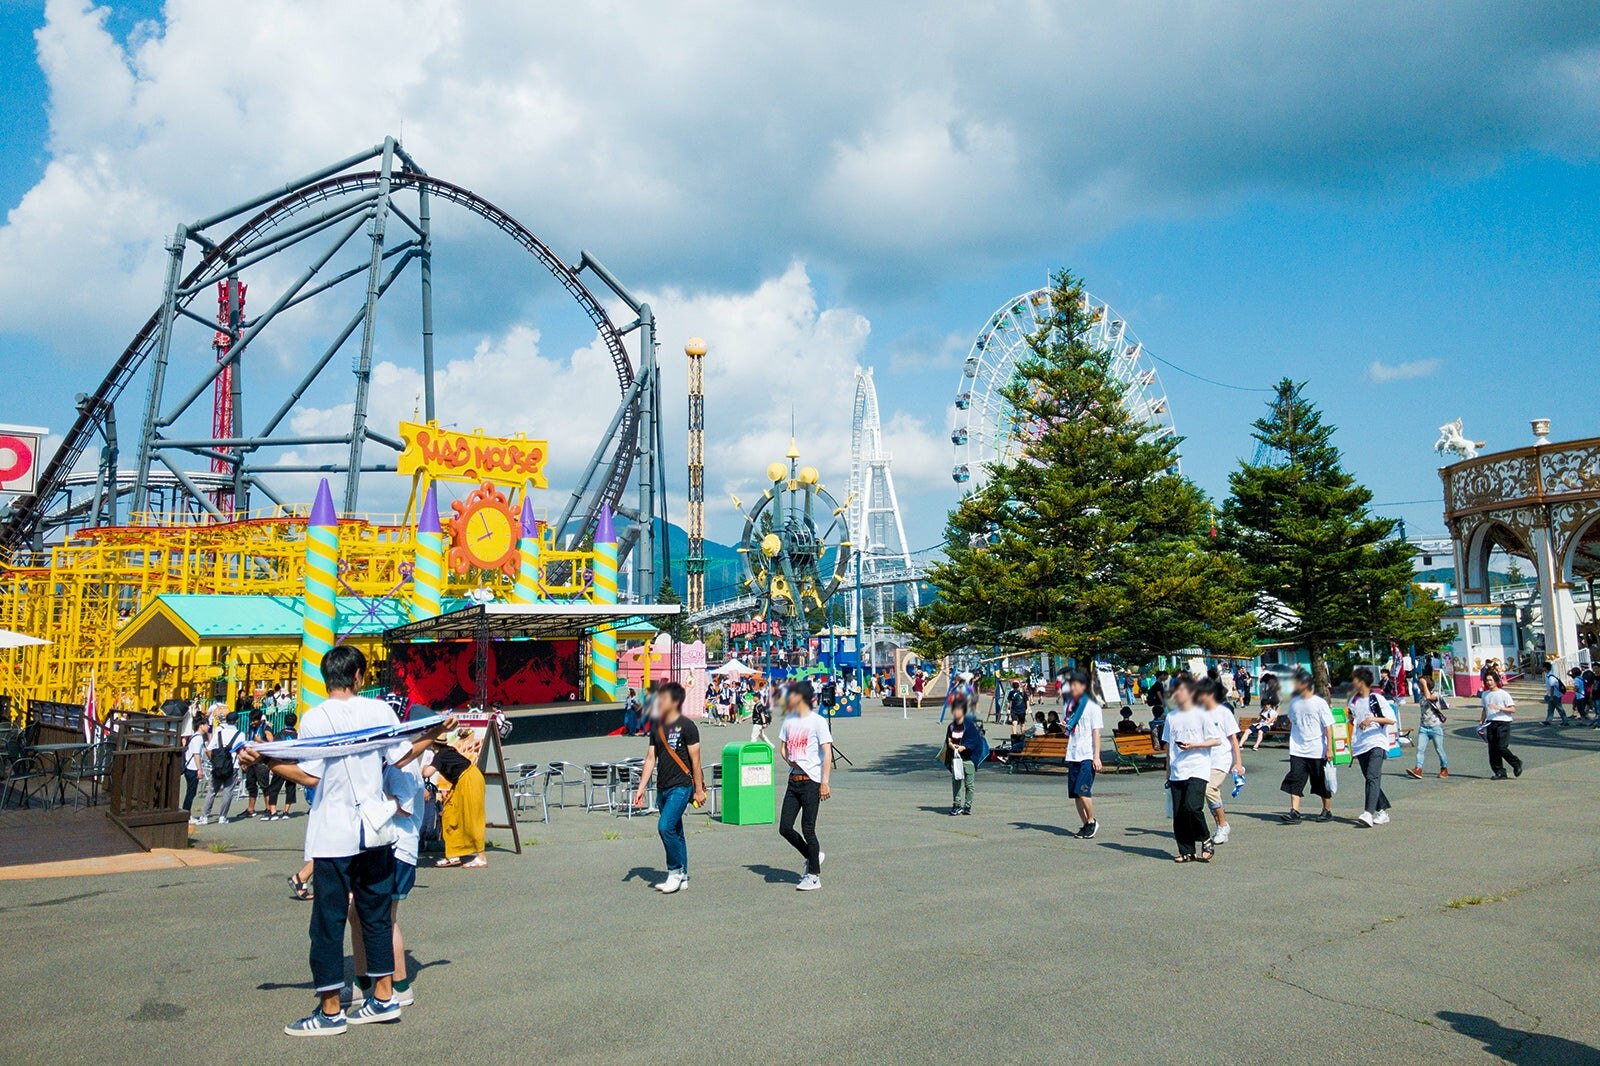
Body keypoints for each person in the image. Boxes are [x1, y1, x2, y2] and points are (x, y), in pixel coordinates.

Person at [239, 645, 452, 1036]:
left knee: (328, 922)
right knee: (375, 916)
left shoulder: (316, 717)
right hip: (376, 831)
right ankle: (383, 997)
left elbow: (310, 775)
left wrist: (267, 760)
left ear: (327, 678)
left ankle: (331, 1010)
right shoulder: (379, 713)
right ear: (359, 677)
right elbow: (401, 757)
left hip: (334, 832)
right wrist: (436, 732)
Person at [632, 682, 705, 894]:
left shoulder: (688, 726)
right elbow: (650, 759)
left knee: (665, 827)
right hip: (662, 786)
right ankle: (683, 874)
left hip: (681, 786)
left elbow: (696, 761)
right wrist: (641, 788)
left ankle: (674, 871)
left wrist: (698, 789)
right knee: (676, 831)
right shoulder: (657, 727)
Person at [776, 680, 832, 891]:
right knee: (785, 828)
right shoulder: (789, 720)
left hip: (811, 780)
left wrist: (825, 783)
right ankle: (813, 856)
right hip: (794, 779)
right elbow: (783, 747)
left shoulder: (817, 721)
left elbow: (827, 752)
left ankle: (814, 875)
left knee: (808, 828)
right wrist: (788, 759)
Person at [1163, 678, 1221, 863]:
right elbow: (1168, 746)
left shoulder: (1202, 714)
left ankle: (1205, 838)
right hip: (1177, 770)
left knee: (1192, 806)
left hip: (1198, 768)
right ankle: (1186, 850)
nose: (1177, 694)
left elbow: (1216, 740)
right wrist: (1168, 769)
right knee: (1179, 813)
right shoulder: (1171, 717)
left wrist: (1195, 745)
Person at [426, 730, 488, 868]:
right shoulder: (447, 751)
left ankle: (481, 856)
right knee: (449, 813)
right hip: (461, 781)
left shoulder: (440, 755)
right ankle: (453, 855)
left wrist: (421, 767)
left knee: (472, 816)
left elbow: (427, 772)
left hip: (469, 779)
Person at [1279, 669, 1335, 824]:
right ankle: (1294, 812)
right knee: (1295, 779)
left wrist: (1329, 748)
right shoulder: (1294, 703)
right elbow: (1291, 720)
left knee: (1320, 781)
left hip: (1317, 749)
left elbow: (1328, 726)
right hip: (1297, 749)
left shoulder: (1319, 703)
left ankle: (1327, 810)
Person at [1348, 666, 1397, 828]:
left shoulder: (1377, 698)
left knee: (1372, 776)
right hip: (1361, 744)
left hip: (1377, 742)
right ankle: (1382, 811)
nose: (1353, 683)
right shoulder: (1353, 701)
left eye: (1355, 680)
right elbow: (1353, 720)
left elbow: (1391, 720)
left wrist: (1372, 720)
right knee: (1370, 778)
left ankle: (1368, 813)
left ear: (1361, 682)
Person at [1057, 670, 1103, 839]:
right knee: (1075, 794)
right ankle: (1085, 823)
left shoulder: (1092, 706)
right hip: (1073, 752)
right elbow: (1068, 729)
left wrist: (1096, 756)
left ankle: (1092, 821)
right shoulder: (1069, 705)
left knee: (1083, 791)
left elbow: (1096, 732)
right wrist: (1064, 727)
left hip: (1087, 754)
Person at [1196, 679, 1242, 845]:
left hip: (1221, 758)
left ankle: (1223, 825)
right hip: (1203, 758)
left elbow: (1233, 739)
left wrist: (1238, 763)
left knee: (1210, 788)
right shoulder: (1198, 712)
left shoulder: (1223, 712)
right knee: (1206, 793)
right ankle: (1219, 824)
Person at [197, 706, 244, 825]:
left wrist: (213, 760)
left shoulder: (219, 733)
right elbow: (242, 752)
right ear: (236, 721)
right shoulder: (240, 734)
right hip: (232, 765)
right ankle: (222, 817)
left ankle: (205, 817)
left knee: (212, 791)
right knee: (228, 791)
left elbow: (208, 749)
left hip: (218, 765)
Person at [1479, 672, 1523, 780]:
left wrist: (1499, 708)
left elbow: (1513, 709)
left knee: (1501, 747)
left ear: (1495, 681)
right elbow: (1485, 709)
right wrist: (1481, 722)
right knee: (1492, 749)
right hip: (1490, 723)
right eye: (1487, 680)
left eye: (1491, 680)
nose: (1489, 683)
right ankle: (1499, 771)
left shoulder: (1503, 694)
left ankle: (1516, 762)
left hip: (1503, 723)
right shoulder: (1485, 694)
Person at [942, 696, 981, 815]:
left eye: (958, 710)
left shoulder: (969, 726)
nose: (956, 712)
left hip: (968, 758)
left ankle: (967, 806)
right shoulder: (951, 726)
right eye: (954, 710)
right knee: (956, 781)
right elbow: (948, 739)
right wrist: (950, 744)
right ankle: (956, 804)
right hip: (956, 758)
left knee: (969, 784)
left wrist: (964, 747)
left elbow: (975, 740)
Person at [1407, 676, 1450, 780]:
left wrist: (1424, 683)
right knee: (1420, 749)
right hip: (1424, 728)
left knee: (1439, 749)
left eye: (1421, 685)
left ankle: (1444, 768)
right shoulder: (1421, 696)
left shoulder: (1435, 694)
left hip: (1435, 727)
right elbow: (1425, 696)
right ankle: (1418, 769)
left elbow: (1429, 697)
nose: (1420, 686)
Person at [266, 712, 300, 819]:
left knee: (274, 788)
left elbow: (275, 750)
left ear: (285, 721)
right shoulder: (298, 736)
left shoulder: (279, 734)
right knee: (290, 788)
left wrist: (272, 765)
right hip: (293, 764)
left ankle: (273, 811)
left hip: (281, 764)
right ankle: (286, 811)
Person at [242, 711, 275, 819]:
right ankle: (250, 809)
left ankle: (268, 808)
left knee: (264, 785)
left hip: (262, 761)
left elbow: (271, 743)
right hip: (252, 760)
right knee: (251, 785)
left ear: (260, 719)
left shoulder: (266, 728)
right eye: (251, 720)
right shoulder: (251, 727)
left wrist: (259, 740)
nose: (253, 722)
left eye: (255, 720)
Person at [182, 718, 209, 817]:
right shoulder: (198, 738)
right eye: (207, 725)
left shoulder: (195, 736)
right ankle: (186, 814)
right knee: (191, 793)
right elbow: (196, 754)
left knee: (191, 792)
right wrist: (200, 769)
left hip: (189, 767)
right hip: (193, 768)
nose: (208, 727)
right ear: (201, 725)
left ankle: (186, 813)